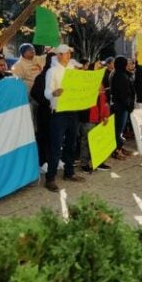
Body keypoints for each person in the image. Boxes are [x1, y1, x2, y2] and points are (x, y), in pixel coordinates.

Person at [43, 45, 86, 192]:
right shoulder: (52, 71)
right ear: (59, 55)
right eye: (66, 53)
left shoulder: (73, 70)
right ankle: (50, 178)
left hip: (73, 111)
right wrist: (54, 93)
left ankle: (69, 173)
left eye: (69, 53)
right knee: (56, 147)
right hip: (59, 112)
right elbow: (46, 92)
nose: (69, 55)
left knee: (71, 144)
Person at [31, 52, 55, 168]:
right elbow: (35, 93)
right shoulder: (42, 77)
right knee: (44, 137)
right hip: (45, 112)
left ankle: (54, 159)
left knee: (55, 137)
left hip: (57, 113)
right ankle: (43, 161)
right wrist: (47, 103)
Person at [109, 56, 136, 158]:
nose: (127, 65)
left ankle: (120, 147)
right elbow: (122, 93)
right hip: (120, 107)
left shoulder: (122, 74)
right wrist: (128, 105)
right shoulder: (118, 75)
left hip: (123, 106)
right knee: (118, 129)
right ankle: (116, 150)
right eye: (126, 63)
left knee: (120, 129)